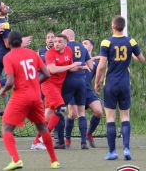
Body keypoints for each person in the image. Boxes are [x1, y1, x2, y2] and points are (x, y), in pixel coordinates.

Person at [0, 31, 60, 170]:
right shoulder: (33, 53)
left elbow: (9, 82)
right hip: (36, 97)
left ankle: (16, 160)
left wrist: (3, 90)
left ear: (8, 43)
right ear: (21, 41)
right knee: (42, 127)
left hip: (20, 97)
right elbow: (46, 74)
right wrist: (35, 82)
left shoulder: (8, 57)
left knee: (6, 128)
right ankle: (54, 161)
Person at [94, 15, 144, 160]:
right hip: (124, 84)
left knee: (110, 118)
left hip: (110, 84)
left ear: (113, 26)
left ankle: (112, 152)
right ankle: (127, 150)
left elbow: (102, 65)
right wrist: (131, 55)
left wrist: (97, 82)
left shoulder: (106, 42)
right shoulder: (131, 41)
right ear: (123, 26)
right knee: (125, 116)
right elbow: (141, 59)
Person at [31, 34, 83, 149]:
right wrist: (71, 66)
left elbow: (70, 67)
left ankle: (36, 142)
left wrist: (79, 67)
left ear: (66, 43)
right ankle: (43, 139)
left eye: (59, 41)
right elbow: (52, 69)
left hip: (58, 86)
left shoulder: (69, 51)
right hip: (48, 84)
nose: (56, 44)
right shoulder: (50, 53)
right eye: (55, 42)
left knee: (48, 116)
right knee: (61, 109)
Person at [59, 29, 93, 149]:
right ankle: (83, 142)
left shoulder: (66, 46)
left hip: (68, 82)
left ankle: (64, 140)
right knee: (81, 113)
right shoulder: (82, 47)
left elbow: (63, 65)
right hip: (81, 82)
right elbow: (90, 65)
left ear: (67, 36)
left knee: (61, 110)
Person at [0, 0, 31, 93]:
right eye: (4, 7)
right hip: (4, 54)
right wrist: (20, 42)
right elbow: (7, 44)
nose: (6, 7)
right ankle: (11, 92)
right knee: (20, 75)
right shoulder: (4, 24)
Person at [81, 38, 103, 148]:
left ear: (91, 46)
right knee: (71, 114)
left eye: (85, 43)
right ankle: (64, 139)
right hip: (76, 90)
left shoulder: (96, 62)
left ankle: (88, 134)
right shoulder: (77, 57)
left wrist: (94, 57)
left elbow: (105, 59)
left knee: (98, 111)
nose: (83, 45)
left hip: (88, 91)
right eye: (82, 43)